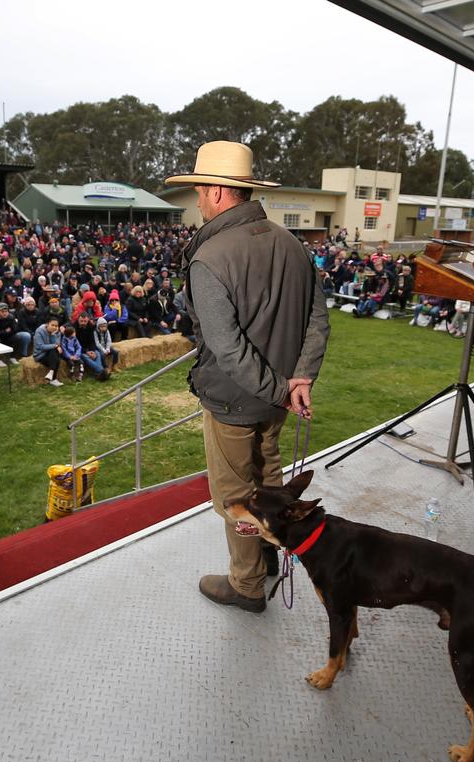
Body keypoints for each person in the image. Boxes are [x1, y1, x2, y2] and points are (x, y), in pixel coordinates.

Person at [165, 140, 330, 612]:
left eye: (199, 189)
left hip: (238, 400)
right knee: (270, 479)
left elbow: (228, 349)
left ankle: (247, 584)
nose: (197, 200)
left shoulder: (210, 256)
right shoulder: (292, 243)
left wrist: (283, 388)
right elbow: (318, 320)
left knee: (236, 495)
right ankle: (271, 551)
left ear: (217, 191)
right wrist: (299, 381)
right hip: (278, 399)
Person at [32, 317, 64, 387]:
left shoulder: (57, 332)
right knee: (56, 359)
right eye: (52, 325)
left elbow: (57, 344)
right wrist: (55, 346)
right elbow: (41, 346)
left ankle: (51, 372)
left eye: (56, 326)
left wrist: (53, 335)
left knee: (54, 353)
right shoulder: (39, 331)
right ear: (47, 324)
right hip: (40, 355)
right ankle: (53, 379)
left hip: (50, 354)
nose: (54, 327)